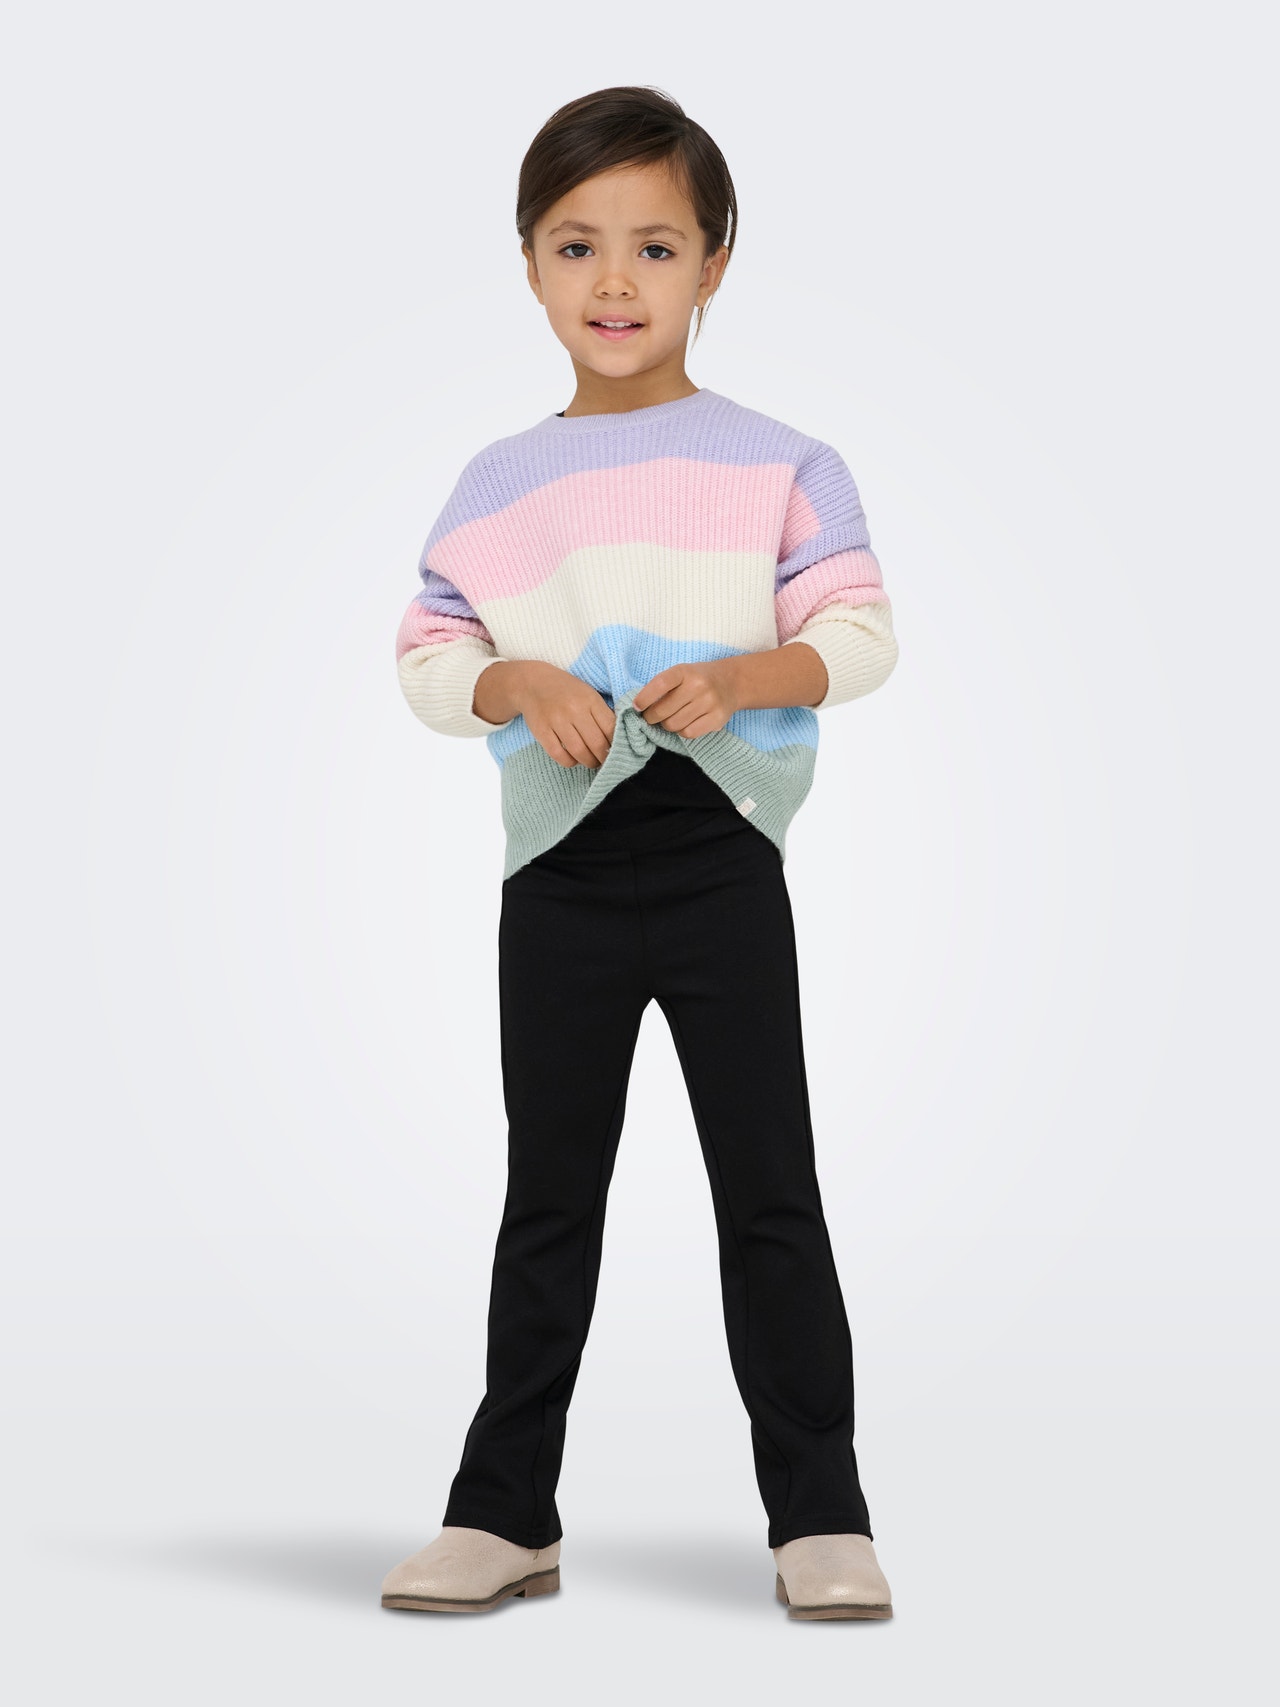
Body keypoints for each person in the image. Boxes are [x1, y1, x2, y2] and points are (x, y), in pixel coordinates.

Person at [380, 85, 899, 1622]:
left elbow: (860, 636)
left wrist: (743, 676)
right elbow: (428, 654)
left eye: (656, 247)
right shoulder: (497, 482)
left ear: (715, 262)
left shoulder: (784, 461)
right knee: (550, 1196)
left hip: (719, 851)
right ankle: (503, 1512)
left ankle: (821, 1513)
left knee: (768, 1186)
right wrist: (511, 682)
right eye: (577, 245)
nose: (616, 282)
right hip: (560, 865)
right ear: (530, 265)